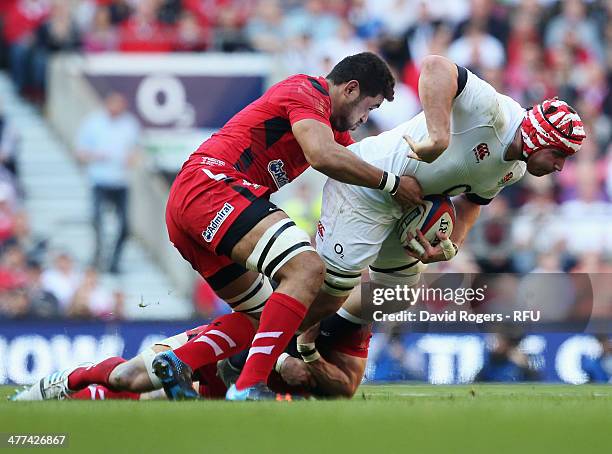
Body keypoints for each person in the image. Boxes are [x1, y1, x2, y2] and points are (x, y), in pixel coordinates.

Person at [150, 52, 421, 401]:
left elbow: (359, 166)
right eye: (367, 108)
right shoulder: (306, 91)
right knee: (307, 269)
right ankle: (249, 386)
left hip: (193, 204)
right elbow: (322, 155)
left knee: (268, 318)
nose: (363, 119)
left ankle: (179, 361)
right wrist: (394, 184)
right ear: (350, 89)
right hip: (211, 184)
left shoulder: (329, 128)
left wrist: (417, 204)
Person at [310, 54, 585, 326]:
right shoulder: (494, 111)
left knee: (397, 296)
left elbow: (472, 202)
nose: (560, 167)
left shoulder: (516, 170)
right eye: (558, 155)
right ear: (540, 138)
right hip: (370, 183)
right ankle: (286, 343)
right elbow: (434, 66)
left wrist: (451, 245)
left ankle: (324, 334)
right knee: (333, 285)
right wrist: (438, 137)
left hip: (408, 208)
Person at [10, 305, 371, 401]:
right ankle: (69, 380)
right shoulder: (302, 280)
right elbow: (255, 315)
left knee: (145, 396)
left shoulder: (356, 314)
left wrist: (307, 354)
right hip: (231, 343)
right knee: (127, 377)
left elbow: (347, 386)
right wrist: (278, 357)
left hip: (242, 380)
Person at [76, 92, 140, 274]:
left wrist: (132, 159)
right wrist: (97, 156)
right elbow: (80, 152)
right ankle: (97, 256)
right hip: (100, 180)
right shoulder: (93, 123)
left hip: (121, 182)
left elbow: (136, 150)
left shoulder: (129, 125)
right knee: (97, 221)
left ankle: (115, 261)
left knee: (124, 226)